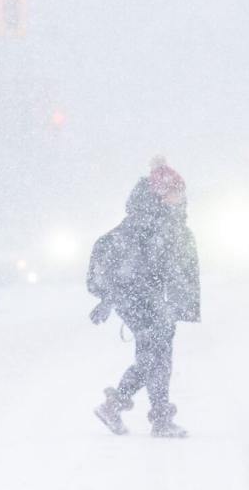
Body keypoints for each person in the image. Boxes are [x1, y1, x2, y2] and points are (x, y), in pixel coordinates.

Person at [87, 157, 201, 438]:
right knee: (157, 358)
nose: (181, 197)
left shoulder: (164, 221)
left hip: (154, 301)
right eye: (176, 192)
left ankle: (113, 406)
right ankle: (159, 420)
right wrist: (109, 299)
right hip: (140, 301)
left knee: (152, 358)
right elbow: (124, 266)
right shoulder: (143, 224)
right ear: (161, 194)